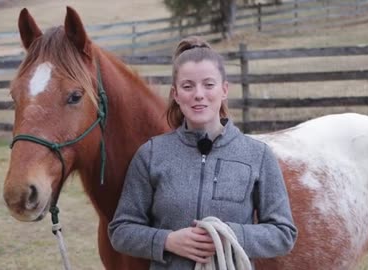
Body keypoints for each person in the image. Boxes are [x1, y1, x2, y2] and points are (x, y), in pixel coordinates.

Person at [108, 36, 297, 269]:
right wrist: (167, 240)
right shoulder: (151, 155)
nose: (198, 94)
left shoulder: (257, 155)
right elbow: (121, 231)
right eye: (188, 86)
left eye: (208, 84)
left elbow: (283, 234)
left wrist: (229, 236)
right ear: (176, 94)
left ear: (224, 90)